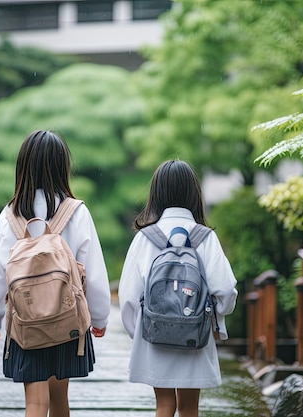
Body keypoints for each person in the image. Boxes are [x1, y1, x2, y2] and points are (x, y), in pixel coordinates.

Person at [0, 130, 112, 417]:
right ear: (62, 167)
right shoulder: (76, 212)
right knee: (60, 399)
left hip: (25, 322)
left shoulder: (10, 214)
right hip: (66, 320)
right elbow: (95, 271)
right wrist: (99, 317)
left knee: (35, 404)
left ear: (23, 167)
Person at [118, 159, 238, 417]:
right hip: (194, 332)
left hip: (155, 333)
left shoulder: (145, 238)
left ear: (156, 194)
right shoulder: (205, 237)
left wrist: (140, 331)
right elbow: (226, 290)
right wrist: (217, 319)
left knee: (164, 406)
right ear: (194, 194)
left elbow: (128, 296)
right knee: (188, 408)